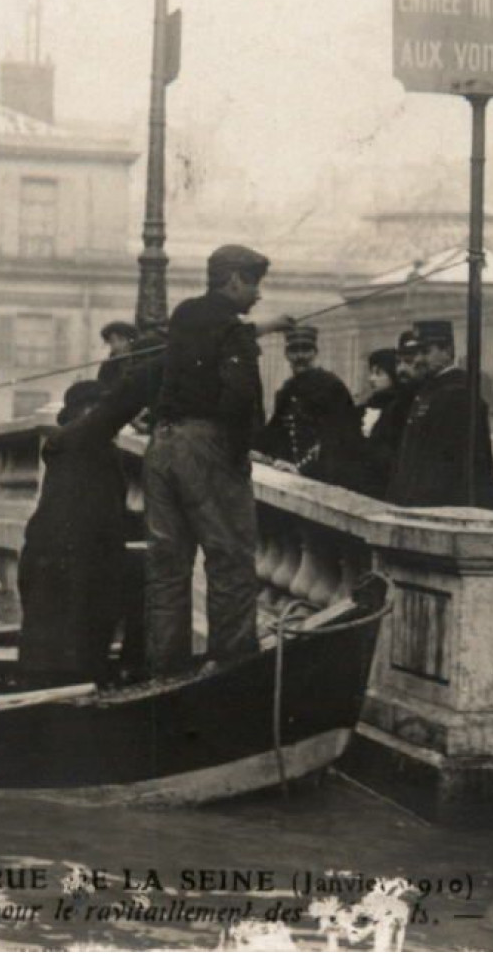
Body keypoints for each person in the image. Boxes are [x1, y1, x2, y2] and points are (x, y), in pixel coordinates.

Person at [143, 245, 294, 675]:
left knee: (168, 565)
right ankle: (231, 667)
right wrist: (242, 452)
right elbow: (240, 396)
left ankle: (164, 671)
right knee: (230, 559)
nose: (258, 294)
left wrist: (264, 328)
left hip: (162, 445)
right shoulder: (232, 333)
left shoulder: (185, 314)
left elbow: (222, 334)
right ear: (234, 280)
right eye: (254, 283)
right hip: (207, 448)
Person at [17, 377, 148, 685]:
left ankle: (121, 671)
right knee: (61, 657)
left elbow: (107, 510)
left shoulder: (95, 449)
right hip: (64, 565)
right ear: (84, 411)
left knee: (78, 647)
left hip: (82, 561)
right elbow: (118, 407)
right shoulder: (73, 439)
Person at [387, 320, 493, 508]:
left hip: (439, 504)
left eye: (426, 352)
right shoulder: (431, 389)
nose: (419, 359)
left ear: (447, 351)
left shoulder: (457, 392)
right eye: (418, 353)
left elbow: (447, 465)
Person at [256, 323, 364, 488]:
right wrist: (257, 451)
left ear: (315, 352)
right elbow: (275, 432)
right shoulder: (286, 391)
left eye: (306, 349)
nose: (300, 356)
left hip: (323, 478)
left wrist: (303, 469)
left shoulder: (332, 387)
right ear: (286, 354)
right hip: (290, 476)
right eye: (294, 350)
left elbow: (339, 439)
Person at [362, 334, 419, 498]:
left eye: (379, 373)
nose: (371, 379)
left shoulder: (400, 407)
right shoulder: (368, 406)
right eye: (371, 373)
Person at [97, 320, 140, 384]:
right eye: (112, 341)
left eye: (121, 340)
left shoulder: (139, 362)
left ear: (130, 341)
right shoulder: (106, 366)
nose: (116, 345)